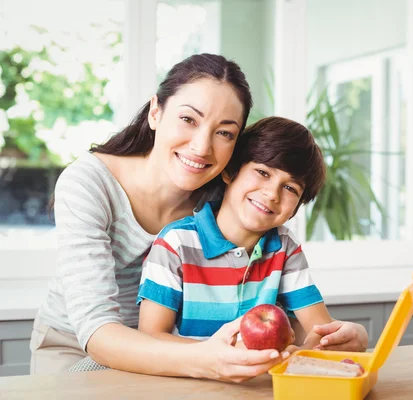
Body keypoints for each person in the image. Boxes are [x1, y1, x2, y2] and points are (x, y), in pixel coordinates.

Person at [30, 53, 279, 380]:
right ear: (155, 112)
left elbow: (273, 265)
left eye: (224, 133)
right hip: (75, 344)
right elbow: (98, 332)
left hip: (174, 347)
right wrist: (204, 358)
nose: (202, 147)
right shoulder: (89, 183)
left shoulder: (219, 199)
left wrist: (328, 334)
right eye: (189, 119)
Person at [136, 117, 368, 359]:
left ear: (297, 207)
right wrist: (220, 355)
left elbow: (319, 331)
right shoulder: (175, 243)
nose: (271, 194)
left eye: (290, 188)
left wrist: (351, 335)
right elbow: (151, 337)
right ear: (230, 171)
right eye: (262, 172)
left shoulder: (284, 248)